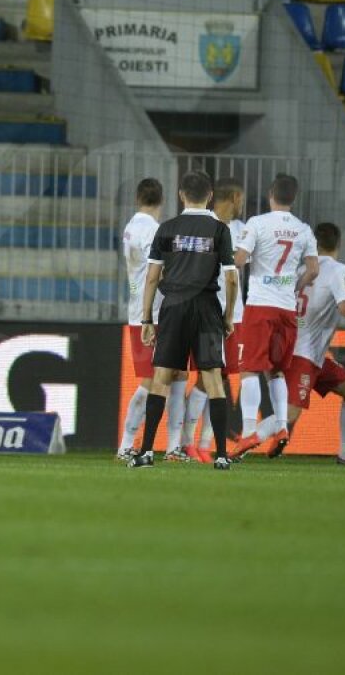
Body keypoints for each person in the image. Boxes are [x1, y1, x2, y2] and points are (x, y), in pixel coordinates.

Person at [130, 171, 237, 470]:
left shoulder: (166, 228)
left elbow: (152, 277)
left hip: (174, 307)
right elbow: (231, 280)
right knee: (214, 380)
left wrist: (147, 319)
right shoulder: (219, 230)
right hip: (206, 307)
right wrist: (227, 317)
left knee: (162, 378)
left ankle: (147, 452)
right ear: (211, 195)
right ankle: (222, 456)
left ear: (181, 195)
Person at [266, 223, 345, 464]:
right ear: (339, 244)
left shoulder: (299, 269)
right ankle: (248, 437)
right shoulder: (337, 269)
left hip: (302, 351)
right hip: (304, 353)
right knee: (290, 413)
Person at [231, 173, 318, 460]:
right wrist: (295, 286)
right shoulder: (303, 229)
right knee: (276, 370)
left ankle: (247, 434)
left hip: (260, 305)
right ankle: (281, 427)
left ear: (271, 195)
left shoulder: (257, 223)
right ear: (293, 198)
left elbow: (240, 261)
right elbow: (313, 269)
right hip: (286, 308)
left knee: (249, 370)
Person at [116, 179, 187, 462]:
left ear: (137, 198)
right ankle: (125, 444)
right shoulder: (154, 231)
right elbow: (156, 271)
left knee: (179, 374)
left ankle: (173, 447)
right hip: (154, 314)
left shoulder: (130, 227)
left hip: (142, 311)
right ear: (163, 200)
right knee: (152, 379)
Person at [185, 177, 245, 464]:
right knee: (204, 378)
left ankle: (204, 443)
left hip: (233, 313)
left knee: (219, 377)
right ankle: (187, 442)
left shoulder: (243, 230)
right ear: (235, 196)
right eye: (241, 198)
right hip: (209, 310)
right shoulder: (206, 226)